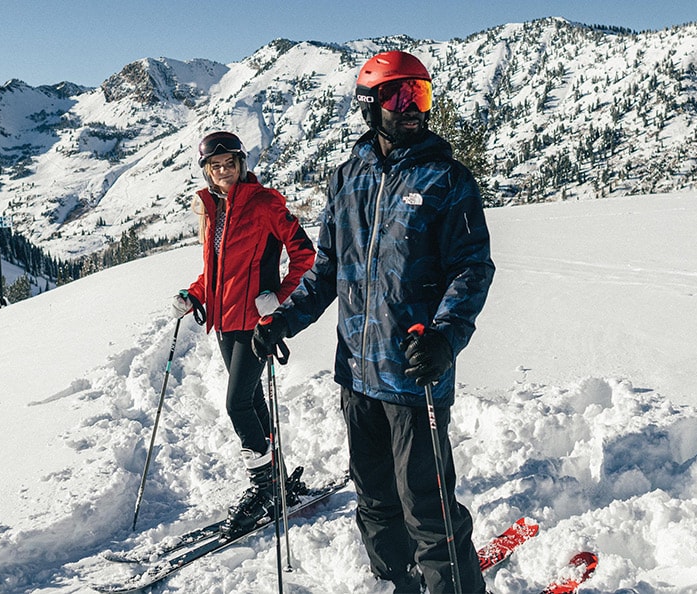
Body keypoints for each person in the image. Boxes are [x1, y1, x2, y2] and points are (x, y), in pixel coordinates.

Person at [251, 51, 495, 593]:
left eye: (421, 95)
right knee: (376, 500)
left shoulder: (447, 180)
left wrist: (445, 337)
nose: (412, 108)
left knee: (427, 508)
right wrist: (283, 321)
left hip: (414, 375)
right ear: (369, 105)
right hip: (358, 375)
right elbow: (327, 270)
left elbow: (472, 269)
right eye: (398, 95)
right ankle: (397, 583)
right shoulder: (347, 179)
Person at [171, 131, 315, 537]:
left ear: (241, 164)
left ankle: (264, 488)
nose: (223, 171)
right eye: (215, 166)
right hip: (224, 323)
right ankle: (278, 481)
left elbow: (305, 256)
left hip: (255, 323)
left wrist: (279, 297)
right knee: (251, 402)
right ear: (207, 171)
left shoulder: (265, 203)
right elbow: (215, 273)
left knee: (236, 405)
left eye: (229, 163)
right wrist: (194, 295)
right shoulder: (212, 209)